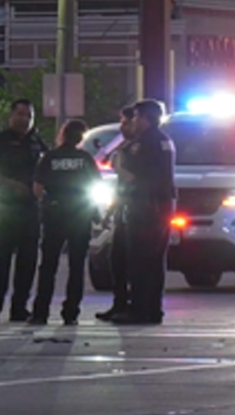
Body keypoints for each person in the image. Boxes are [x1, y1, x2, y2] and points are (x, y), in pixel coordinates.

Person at [28, 119, 102, 326]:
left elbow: (37, 189)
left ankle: (40, 312)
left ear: (62, 134)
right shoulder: (85, 159)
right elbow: (96, 186)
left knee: (48, 265)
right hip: (80, 215)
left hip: (55, 214)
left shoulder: (50, 158)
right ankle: (71, 313)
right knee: (76, 266)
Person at [0, 98, 48, 323]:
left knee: (27, 263)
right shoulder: (0, 141)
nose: (24, 120)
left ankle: (19, 307)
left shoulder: (37, 141)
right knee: (0, 260)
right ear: (11, 116)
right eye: (20, 115)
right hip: (6, 208)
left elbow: (47, 168)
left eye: (29, 116)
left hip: (30, 210)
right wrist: (10, 185)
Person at [111, 99, 176, 326]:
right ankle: (153, 309)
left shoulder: (144, 143)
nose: (134, 121)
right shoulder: (164, 140)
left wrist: (119, 166)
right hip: (162, 207)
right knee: (155, 261)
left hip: (144, 207)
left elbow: (133, 176)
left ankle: (138, 310)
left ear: (147, 119)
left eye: (137, 117)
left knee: (139, 261)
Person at [96, 106, 137, 322]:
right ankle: (119, 304)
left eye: (126, 122)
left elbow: (133, 180)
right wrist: (110, 211)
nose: (122, 126)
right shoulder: (125, 147)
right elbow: (120, 186)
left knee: (132, 262)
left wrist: (119, 167)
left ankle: (133, 305)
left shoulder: (141, 148)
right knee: (117, 261)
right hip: (123, 211)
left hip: (138, 213)